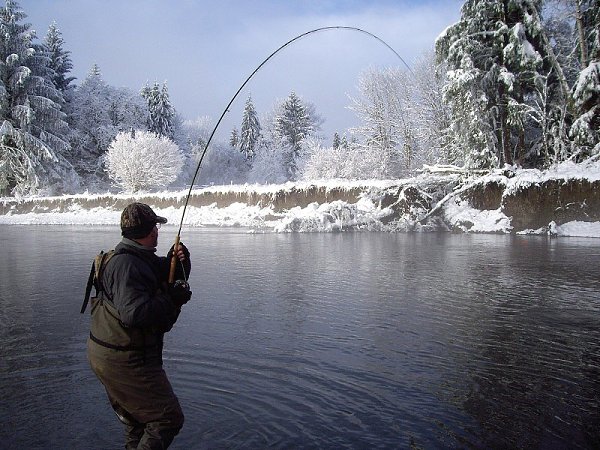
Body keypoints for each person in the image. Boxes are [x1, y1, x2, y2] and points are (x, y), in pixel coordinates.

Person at [86, 202, 192, 449]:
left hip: (111, 355)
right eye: (155, 226)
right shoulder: (127, 265)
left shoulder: (134, 257)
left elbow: (156, 275)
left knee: (138, 422)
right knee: (167, 418)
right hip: (124, 360)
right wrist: (172, 298)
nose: (157, 231)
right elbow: (135, 314)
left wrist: (179, 266)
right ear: (149, 231)